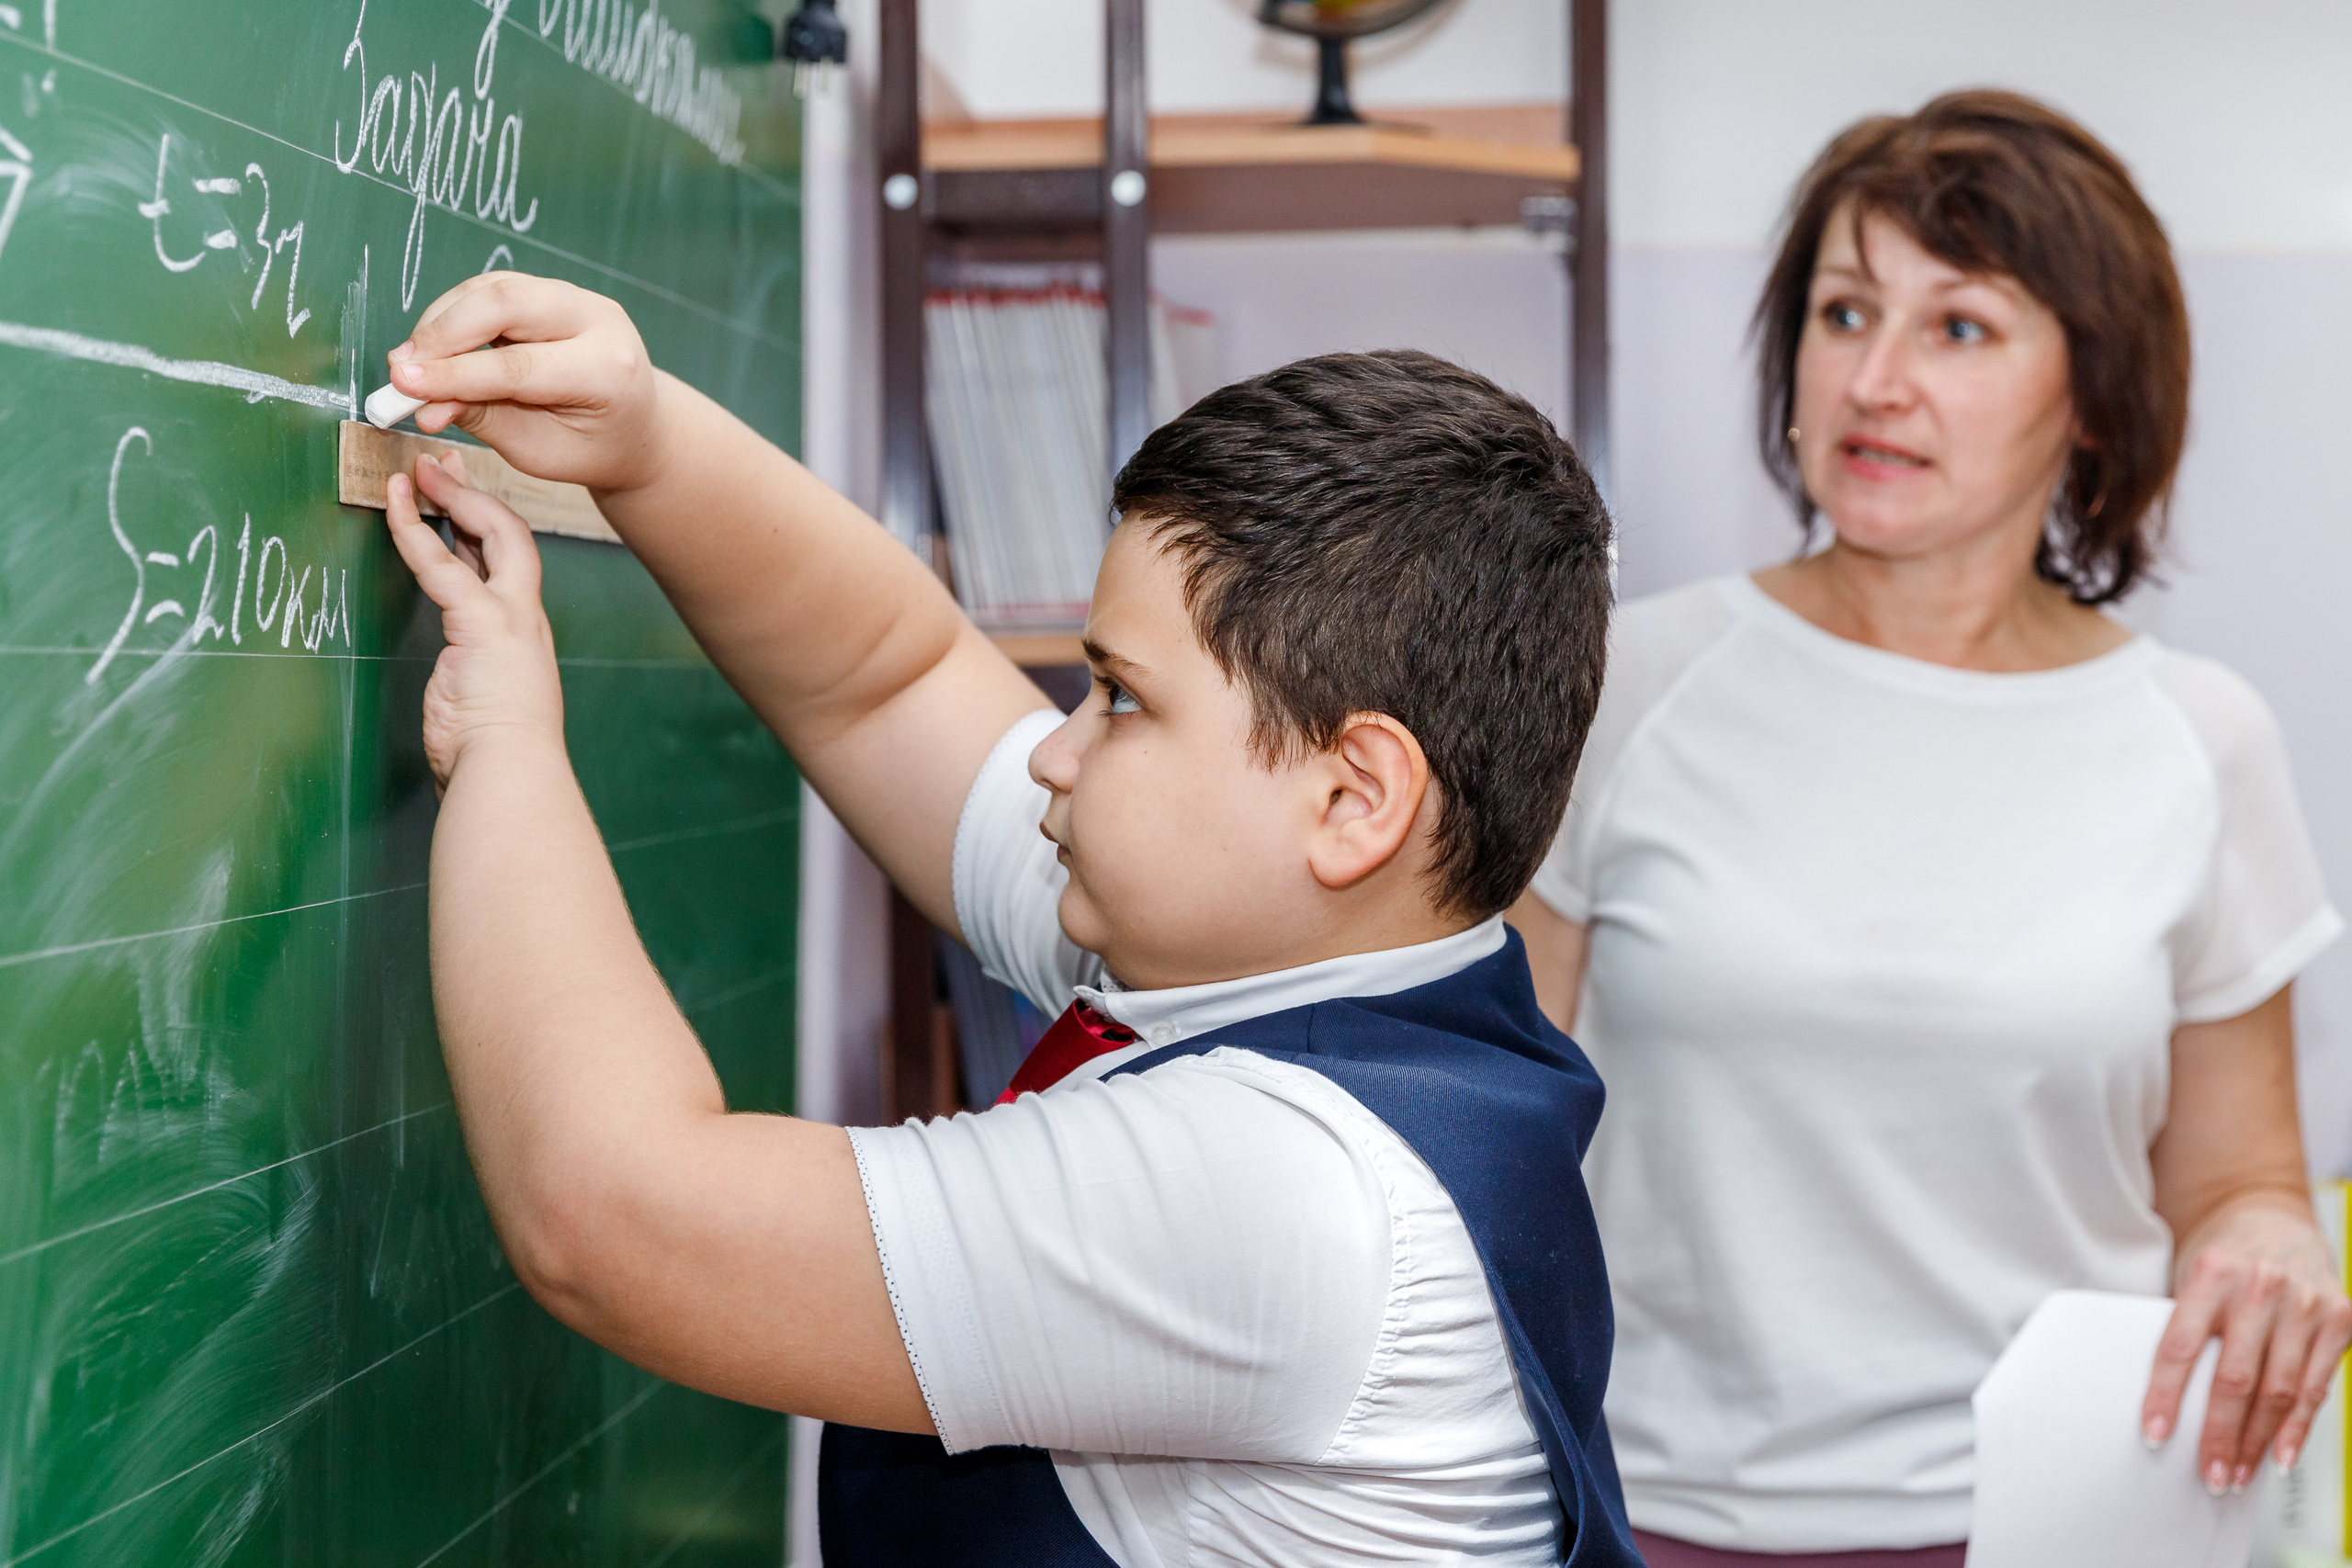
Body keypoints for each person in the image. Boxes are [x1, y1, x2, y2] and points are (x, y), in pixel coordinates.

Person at [370, 280, 1642, 1566]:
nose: (1055, 754)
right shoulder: (1317, 965)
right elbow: (890, 679)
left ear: (1353, 799)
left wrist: (506, 744)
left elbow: (619, 1214)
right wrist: (644, 444)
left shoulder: (1293, 1194)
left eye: (1120, 700)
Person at [1508, 90, 2350, 1567]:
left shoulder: (2201, 738)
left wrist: (2273, 1251)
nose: (1876, 380)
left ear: (2090, 399)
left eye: (1958, 328)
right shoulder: (1628, 684)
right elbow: (1489, 1120)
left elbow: (2237, 1183)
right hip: (1655, 1517)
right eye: (1845, 314)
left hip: (2084, 1519)